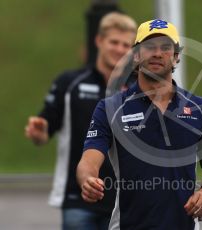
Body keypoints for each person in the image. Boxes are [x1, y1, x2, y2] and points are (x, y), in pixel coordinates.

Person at [77, 19, 202, 230]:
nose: (157, 53)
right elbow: (88, 161)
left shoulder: (199, 108)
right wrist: (88, 180)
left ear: (176, 57)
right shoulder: (110, 107)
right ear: (136, 55)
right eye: (149, 47)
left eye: (166, 48)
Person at [25, 12, 137, 230]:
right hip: (78, 199)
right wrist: (39, 133)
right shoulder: (70, 83)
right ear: (99, 41)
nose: (120, 49)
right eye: (114, 42)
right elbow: (45, 129)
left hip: (123, 201)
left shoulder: (137, 90)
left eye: (126, 44)